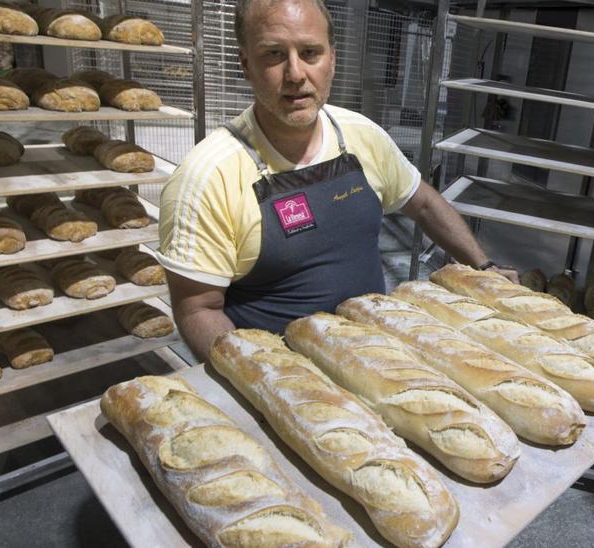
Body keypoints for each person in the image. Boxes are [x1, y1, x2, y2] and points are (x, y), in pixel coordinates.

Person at [156, 0, 516, 359]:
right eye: (274, 54)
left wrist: (484, 267)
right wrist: (264, 381)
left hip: (376, 354)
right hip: (284, 376)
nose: (295, 74)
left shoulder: (361, 136)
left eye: (310, 52)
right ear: (246, 65)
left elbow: (422, 202)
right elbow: (197, 309)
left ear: (332, 59)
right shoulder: (208, 178)